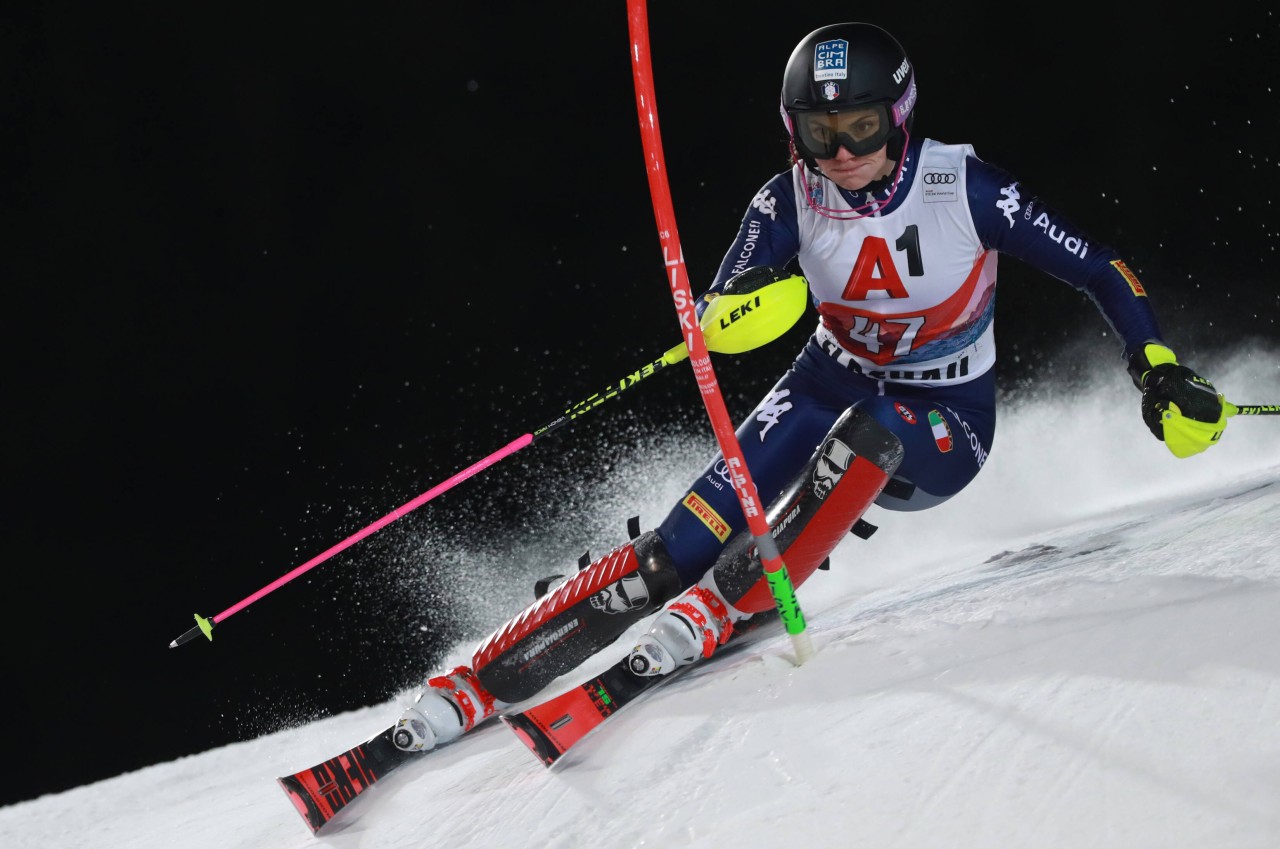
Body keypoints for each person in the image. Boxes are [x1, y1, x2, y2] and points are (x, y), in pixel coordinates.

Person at [389, 22, 1232, 752]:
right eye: (818, 132)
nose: (842, 155)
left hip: (946, 416)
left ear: (899, 117)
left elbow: (1098, 265)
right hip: (826, 377)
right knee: (675, 546)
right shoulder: (786, 197)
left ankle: (741, 591)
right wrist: (720, 316)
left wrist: (1152, 364)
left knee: (865, 436)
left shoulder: (963, 187)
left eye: (862, 128)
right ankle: (483, 675)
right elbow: (731, 293)